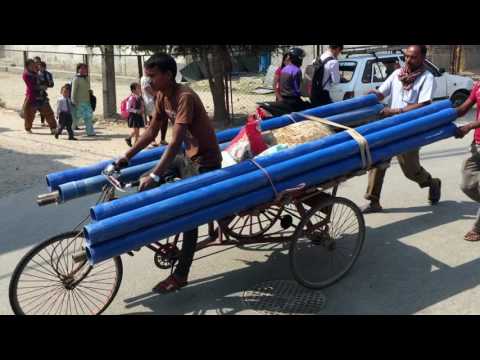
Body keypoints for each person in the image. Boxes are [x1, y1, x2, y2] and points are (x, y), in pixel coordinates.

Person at [114, 53, 222, 293]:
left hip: (206, 162)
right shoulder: (162, 95)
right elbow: (152, 132)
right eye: (146, 76)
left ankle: (181, 275)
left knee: (188, 217)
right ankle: (135, 226)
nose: (148, 81)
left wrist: (155, 175)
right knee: (140, 176)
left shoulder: (185, 97)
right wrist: (127, 156)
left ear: (168, 75)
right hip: (188, 158)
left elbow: (174, 143)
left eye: (152, 76)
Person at [361, 45, 442, 214]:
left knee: (411, 171)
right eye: (406, 56)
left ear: (422, 58)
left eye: (413, 57)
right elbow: (382, 93)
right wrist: (372, 96)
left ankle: (432, 182)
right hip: (390, 125)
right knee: (378, 161)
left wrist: (396, 111)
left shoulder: (427, 78)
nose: (408, 60)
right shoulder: (397, 74)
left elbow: (424, 104)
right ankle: (373, 201)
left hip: (410, 129)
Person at [454, 81, 480, 241]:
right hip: (477, 144)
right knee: (467, 185)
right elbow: (464, 108)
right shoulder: (478, 86)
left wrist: (469, 126)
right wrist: (444, 116)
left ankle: (478, 229)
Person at [21, 59, 57, 134]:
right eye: (31, 65)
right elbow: (31, 86)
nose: (33, 66)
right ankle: (28, 128)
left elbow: (47, 82)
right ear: (27, 66)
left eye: (33, 65)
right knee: (29, 114)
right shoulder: (26, 75)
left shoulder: (39, 73)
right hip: (32, 97)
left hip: (42, 96)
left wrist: (47, 84)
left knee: (49, 112)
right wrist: (41, 87)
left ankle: (53, 128)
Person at [141, 70, 167, 146]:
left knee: (163, 119)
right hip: (151, 102)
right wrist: (158, 95)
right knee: (154, 121)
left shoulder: (151, 77)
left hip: (154, 101)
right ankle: (153, 140)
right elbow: (147, 88)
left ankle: (162, 139)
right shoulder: (145, 78)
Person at [71, 63, 96, 136]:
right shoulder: (76, 79)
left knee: (88, 117)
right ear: (78, 69)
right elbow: (73, 91)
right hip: (78, 102)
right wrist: (73, 101)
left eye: (85, 68)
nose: (83, 70)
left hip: (87, 102)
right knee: (76, 118)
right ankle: (71, 131)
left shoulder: (87, 78)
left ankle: (90, 132)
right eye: (81, 68)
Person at [125, 82, 145, 147]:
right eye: (138, 88)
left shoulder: (139, 97)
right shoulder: (131, 98)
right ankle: (135, 146)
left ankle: (128, 138)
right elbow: (128, 108)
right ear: (133, 90)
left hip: (138, 116)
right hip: (134, 117)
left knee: (136, 131)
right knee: (137, 133)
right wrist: (136, 111)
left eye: (140, 87)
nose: (140, 89)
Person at [38, 61, 54, 127]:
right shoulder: (36, 73)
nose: (40, 68)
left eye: (41, 67)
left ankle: (43, 121)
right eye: (39, 67)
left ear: (44, 67)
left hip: (43, 93)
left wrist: (45, 85)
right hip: (35, 92)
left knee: (43, 107)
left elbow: (51, 84)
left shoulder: (47, 74)